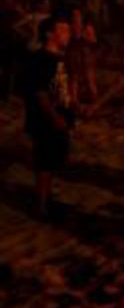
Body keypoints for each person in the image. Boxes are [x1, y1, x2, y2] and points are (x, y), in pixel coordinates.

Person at [19, 15, 74, 216]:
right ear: (50, 34)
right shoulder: (40, 59)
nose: (68, 34)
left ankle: (48, 199)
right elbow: (39, 93)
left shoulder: (59, 57)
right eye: (63, 30)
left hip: (59, 117)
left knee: (53, 161)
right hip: (44, 120)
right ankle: (41, 206)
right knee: (44, 162)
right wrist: (55, 117)